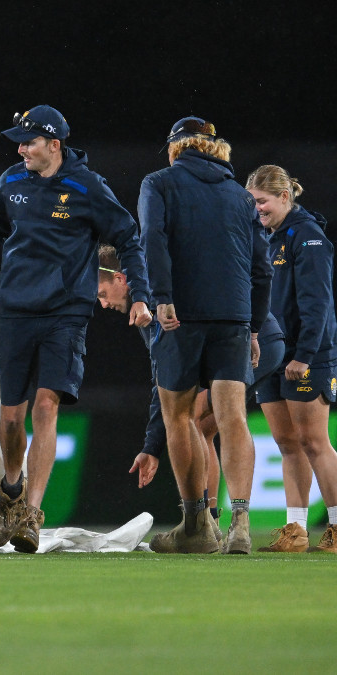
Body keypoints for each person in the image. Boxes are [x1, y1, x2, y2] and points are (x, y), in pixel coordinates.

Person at [0, 105, 152, 553]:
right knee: (10, 419)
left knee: (46, 408)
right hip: (17, 313)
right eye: (20, 143)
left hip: (66, 314)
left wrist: (139, 294)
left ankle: (30, 513)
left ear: (54, 145)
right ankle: (10, 491)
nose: (21, 149)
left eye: (28, 142)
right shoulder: (10, 182)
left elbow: (127, 237)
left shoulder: (87, 186)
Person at [140, 117, 272, 554]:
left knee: (179, 416)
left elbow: (152, 239)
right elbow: (262, 268)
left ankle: (195, 524)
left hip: (182, 314)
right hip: (234, 316)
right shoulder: (240, 195)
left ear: (176, 149)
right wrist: (253, 326)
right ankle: (240, 524)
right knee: (232, 416)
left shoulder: (159, 182)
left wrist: (161, 295)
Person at [100, 244, 283, 542]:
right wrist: (152, 445)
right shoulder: (148, 305)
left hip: (252, 343)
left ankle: (205, 524)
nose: (104, 304)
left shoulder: (158, 297)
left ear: (120, 279)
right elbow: (164, 382)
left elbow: (168, 382)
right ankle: (216, 522)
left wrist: (154, 444)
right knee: (202, 422)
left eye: (102, 294)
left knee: (195, 415)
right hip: (249, 339)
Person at [247, 165, 337, 554]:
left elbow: (318, 304)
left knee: (315, 441)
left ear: (284, 197)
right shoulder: (264, 238)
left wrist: (304, 355)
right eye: (252, 203)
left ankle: (336, 526)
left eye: (262, 201)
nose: (257, 209)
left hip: (306, 356)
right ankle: (296, 530)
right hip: (270, 355)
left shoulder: (308, 236)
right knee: (286, 443)